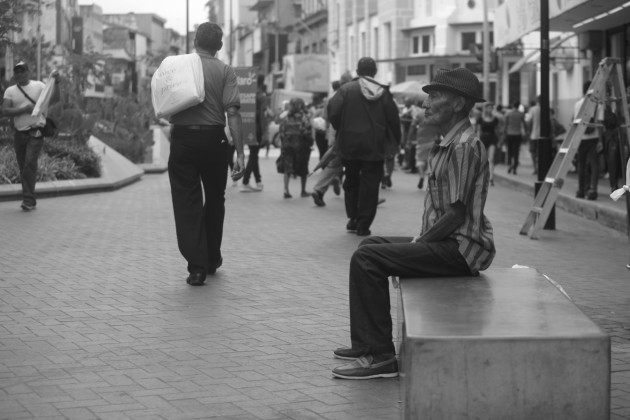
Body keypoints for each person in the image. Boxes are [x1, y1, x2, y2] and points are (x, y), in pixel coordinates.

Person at [331, 67, 495, 380]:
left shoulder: (463, 145)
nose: (426, 103)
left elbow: (456, 214)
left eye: (434, 96)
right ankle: (367, 343)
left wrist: (419, 244)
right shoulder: (451, 141)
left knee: (368, 259)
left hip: (460, 249)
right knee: (370, 245)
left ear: (458, 104)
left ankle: (380, 357)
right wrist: (419, 242)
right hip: (448, 242)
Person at [167, 22, 245, 286]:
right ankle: (212, 258)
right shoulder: (225, 71)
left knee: (186, 202)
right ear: (220, 46)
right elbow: (232, 113)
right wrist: (241, 155)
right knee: (215, 199)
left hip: (183, 139)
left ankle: (197, 267)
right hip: (214, 139)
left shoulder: (179, 67)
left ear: (194, 42)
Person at [327, 57, 401, 236]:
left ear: (357, 71)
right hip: (374, 146)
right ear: (374, 72)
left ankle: (352, 218)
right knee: (370, 185)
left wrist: (342, 128)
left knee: (351, 180)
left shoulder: (345, 90)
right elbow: (394, 120)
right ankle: (364, 224)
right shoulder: (383, 93)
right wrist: (395, 142)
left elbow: (333, 111)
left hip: (349, 144)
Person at [2, 60, 61, 211]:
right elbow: (5, 111)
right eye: (17, 71)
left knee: (29, 163)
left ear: (28, 72)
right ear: (14, 74)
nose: (20, 74)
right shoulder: (10, 91)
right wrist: (25, 109)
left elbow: (54, 99)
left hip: (36, 131)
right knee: (24, 167)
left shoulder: (40, 86)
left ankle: (28, 200)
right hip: (19, 133)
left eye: (23, 71)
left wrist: (57, 84)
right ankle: (29, 198)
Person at [311, 79, 344, 207]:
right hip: (346, 134)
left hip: (332, 133)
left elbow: (326, 118)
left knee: (333, 162)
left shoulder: (328, 99)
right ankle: (369, 198)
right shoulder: (345, 96)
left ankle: (319, 189)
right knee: (360, 164)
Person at [278, 97, 313, 198]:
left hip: (287, 145)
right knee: (303, 168)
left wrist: (284, 143)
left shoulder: (286, 116)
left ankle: (286, 190)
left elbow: (281, 132)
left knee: (287, 168)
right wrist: (310, 141)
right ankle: (303, 191)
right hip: (301, 146)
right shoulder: (304, 116)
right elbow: (306, 131)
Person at [573, 81, 602, 200]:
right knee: (594, 165)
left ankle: (581, 190)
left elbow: (575, 122)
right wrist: (600, 141)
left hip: (581, 138)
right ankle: (592, 190)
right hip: (593, 138)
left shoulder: (577, 104)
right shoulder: (598, 105)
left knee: (581, 164)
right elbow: (599, 123)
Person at [241, 74, 267, 192]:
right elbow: (262, 116)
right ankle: (245, 182)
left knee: (253, 154)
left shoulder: (249, 95)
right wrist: (265, 132)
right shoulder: (261, 96)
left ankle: (258, 181)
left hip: (248, 126)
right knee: (253, 155)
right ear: (263, 82)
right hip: (257, 129)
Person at [475, 102, 499, 186]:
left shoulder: (495, 119)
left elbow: (497, 130)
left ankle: (491, 178)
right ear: (485, 109)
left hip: (492, 138)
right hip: (483, 138)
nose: (490, 109)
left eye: (491, 108)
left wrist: (499, 140)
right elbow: (478, 131)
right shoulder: (480, 119)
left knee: (491, 158)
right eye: (488, 108)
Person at [503, 101, 527, 175]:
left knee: (509, 151)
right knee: (516, 151)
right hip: (517, 134)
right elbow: (524, 124)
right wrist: (526, 133)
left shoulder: (508, 114)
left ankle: (510, 165)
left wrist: (504, 134)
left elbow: (505, 125)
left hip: (509, 134)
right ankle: (515, 168)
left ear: (513, 105)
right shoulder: (521, 114)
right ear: (518, 106)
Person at [526, 97, 541, 175]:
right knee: (540, 153)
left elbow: (529, 121)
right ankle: (539, 168)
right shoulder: (547, 109)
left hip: (534, 134)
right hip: (543, 135)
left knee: (533, 152)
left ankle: (535, 168)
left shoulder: (533, 109)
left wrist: (528, 132)